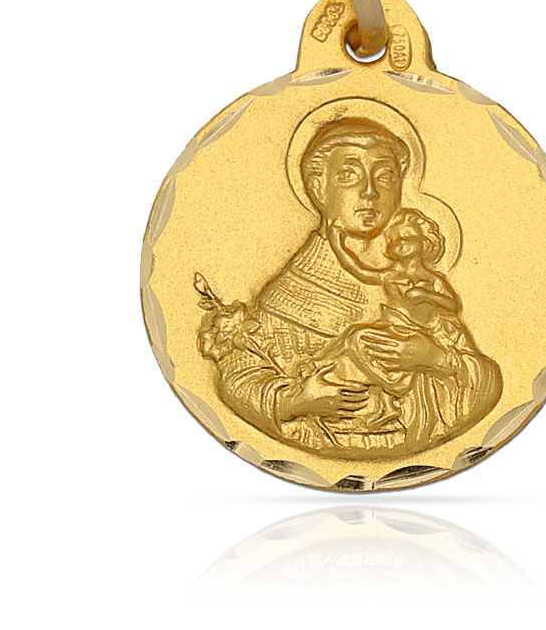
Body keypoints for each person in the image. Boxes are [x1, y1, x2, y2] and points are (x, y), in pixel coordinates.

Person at [196, 116, 502, 454]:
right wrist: (295, 402)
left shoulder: (417, 284)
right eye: (348, 175)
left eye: (385, 176)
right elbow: (238, 372)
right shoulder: (293, 287)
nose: (370, 192)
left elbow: (483, 381)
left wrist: (435, 359)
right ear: (318, 187)